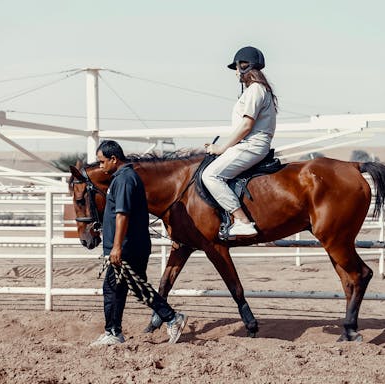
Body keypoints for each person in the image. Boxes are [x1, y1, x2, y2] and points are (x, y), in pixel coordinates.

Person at [91, 140, 188, 346]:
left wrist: (116, 247)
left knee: (120, 288)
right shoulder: (123, 178)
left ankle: (170, 318)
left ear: (113, 159)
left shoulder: (124, 179)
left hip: (127, 247)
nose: (100, 166)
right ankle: (115, 331)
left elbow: (122, 215)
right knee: (130, 288)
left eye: (102, 162)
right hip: (129, 245)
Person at [203, 46, 278, 238]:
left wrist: (221, 148)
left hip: (251, 145)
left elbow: (246, 126)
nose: (235, 73)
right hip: (248, 145)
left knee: (210, 175)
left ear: (244, 66)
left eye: (236, 68)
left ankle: (242, 220)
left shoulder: (255, 90)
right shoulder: (258, 90)